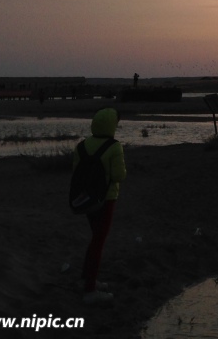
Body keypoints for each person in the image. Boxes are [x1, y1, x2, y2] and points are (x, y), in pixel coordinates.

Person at [73, 107, 126, 304]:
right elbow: (119, 176)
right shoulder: (114, 146)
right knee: (99, 242)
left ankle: (87, 279)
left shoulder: (82, 146)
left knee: (95, 238)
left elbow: (76, 172)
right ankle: (90, 290)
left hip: (86, 200)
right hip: (107, 199)